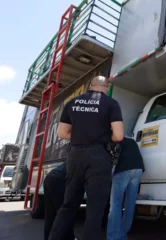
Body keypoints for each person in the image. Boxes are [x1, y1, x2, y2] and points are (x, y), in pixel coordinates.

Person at [49, 76, 124, 240]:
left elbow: (62, 133)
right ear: (106, 87)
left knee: (68, 204)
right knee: (95, 207)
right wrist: (101, 137)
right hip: (98, 156)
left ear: (91, 86)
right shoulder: (111, 104)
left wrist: (81, 136)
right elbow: (118, 136)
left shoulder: (72, 103)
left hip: (75, 155)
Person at [107, 137, 145, 240]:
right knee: (130, 204)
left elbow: (112, 159)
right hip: (138, 169)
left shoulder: (111, 140)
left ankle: (113, 237)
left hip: (123, 170)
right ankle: (122, 235)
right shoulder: (130, 140)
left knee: (116, 205)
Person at [44, 162, 75, 240]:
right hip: (60, 180)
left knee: (50, 216)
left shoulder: (76, 154)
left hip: (50, 177)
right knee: (64, 215)